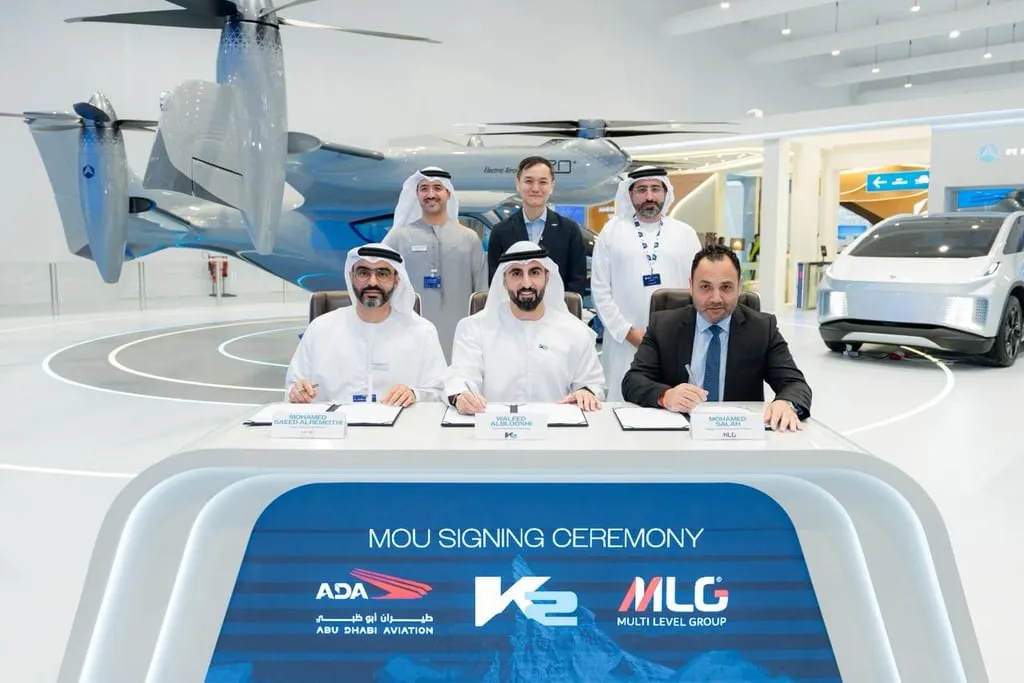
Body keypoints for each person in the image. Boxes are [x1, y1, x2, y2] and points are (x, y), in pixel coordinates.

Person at [621, 245, 811, 432]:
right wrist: (666, 396)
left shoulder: (762, 329)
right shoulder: (664, 326)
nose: (716, 298)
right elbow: (633, 380)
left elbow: (795, 384)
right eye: (705, 287)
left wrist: (785, 403)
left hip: (738, 437)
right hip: (679, 438)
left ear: (739, 286)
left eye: (726, 287)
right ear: (691, 286)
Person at [446, 240, 606, 414]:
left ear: (547, 277)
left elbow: (593, 383)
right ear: (504, 281)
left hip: (556, 433)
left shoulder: (575, 331)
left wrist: (586, 392)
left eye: (535, 272)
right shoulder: (474, 328)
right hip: (493, 432)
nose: (527, 283)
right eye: (516, 273)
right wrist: (461, 395)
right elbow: (461, 376)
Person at [590, 165, 703, 401]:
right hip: (624, 343)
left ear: (666, 193)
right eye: (641, 190)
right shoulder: (612, 232)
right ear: (630, 194)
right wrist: (628, 332)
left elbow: (698, 287)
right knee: (623, 403)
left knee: (674, 402)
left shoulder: (685, 233)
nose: (649, 196)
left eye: (655, 189)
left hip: (674, 340)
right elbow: (600, 290)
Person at [285, 243, 447, 406]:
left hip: (400, 428)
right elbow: (294, 386)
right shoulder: (320, 328)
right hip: (336, 427)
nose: (372, 282)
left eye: (382, 274)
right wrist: (298, 392)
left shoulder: (422, 331)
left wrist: (414, 394)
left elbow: (439, 391)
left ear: (396, 280)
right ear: (352, 277)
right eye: (363, 273)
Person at [383, 166, 488, 362]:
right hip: (410, 336)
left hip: (461, 337)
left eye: (437, 188)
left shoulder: (469, 238)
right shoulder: (399, 237)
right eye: (424, 188)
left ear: (448, 193)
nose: (431, 194)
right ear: (416, 194)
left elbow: (481, 293)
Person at [486, 156, 588, 295]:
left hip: (557, 312)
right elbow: (496, 282)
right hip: (513, 312)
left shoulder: (569, 230)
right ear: (518, 184)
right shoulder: (501, 231)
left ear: (552, 186)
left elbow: (577, 282)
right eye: (528, 181)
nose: (535, 188)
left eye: (543, 182)